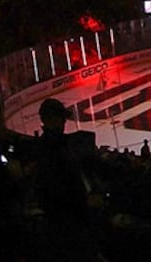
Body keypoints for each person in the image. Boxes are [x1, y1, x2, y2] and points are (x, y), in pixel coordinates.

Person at [32, 98, 100, 261]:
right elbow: (55, 188)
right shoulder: (48, 150)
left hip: (72, 218)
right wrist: (84, 201)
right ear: (46, 120)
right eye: (58, 118)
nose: (63, 123)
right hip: (67, 222)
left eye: (62, 118)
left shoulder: (62, 145)